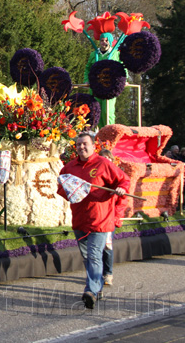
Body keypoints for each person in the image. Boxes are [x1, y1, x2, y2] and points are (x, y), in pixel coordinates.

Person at [57, 133, 129, 309]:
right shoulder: (70, 167)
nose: (82, 147)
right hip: (80, 219)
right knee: (87, 256)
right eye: (79, 144)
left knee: (94, 255)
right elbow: (61, 186)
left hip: (100, 219)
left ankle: (91, 291)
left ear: (93, 145)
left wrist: (120, 189)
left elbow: (123, 180)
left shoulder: (104, 164)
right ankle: (97, 288)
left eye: (85, 144)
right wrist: (73, 193)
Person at [98, 149, 127, 286]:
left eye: (107, 158)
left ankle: (108, 273)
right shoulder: (96, 175)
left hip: (110, 218)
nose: (104, 161)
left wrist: (115, 217)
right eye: (102, 158)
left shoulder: (117, 175)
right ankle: (96, 274)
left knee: (107, 246)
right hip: (96, 217)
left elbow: (122, 202)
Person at [83, 33, 125, 128]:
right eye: (102, 40)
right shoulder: (94, 54)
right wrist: (87, 80)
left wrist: (123, 80)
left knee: (107, 111)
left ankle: (110, 132)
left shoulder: (115, 54)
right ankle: (101, 134)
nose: (104, 43)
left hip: (110, 88)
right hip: (96, 87)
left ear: (110, 42)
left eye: (106, 40)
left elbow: (122, 68)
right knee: (96, 111)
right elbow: (88, 68)